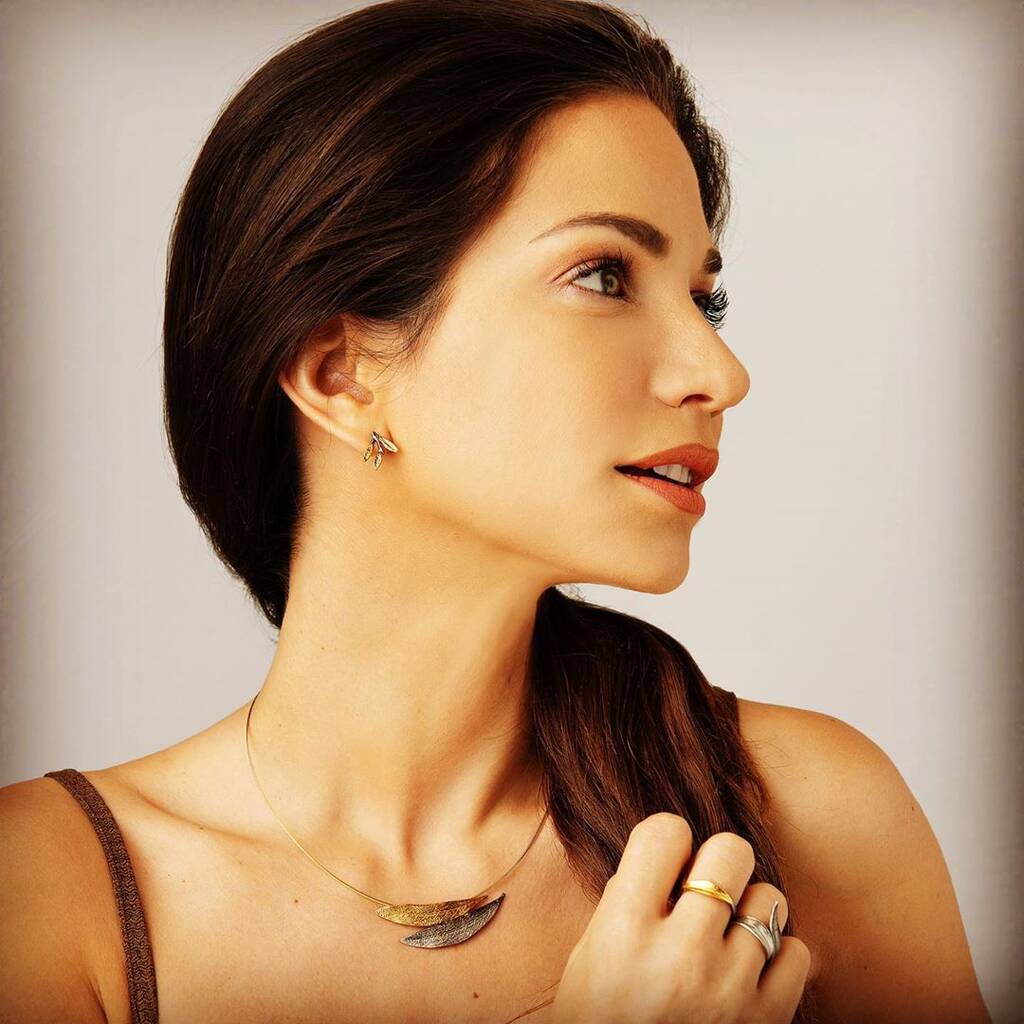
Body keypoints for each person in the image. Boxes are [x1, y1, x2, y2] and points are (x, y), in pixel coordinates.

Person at [0, 1, 991, 1022]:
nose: (720, 372)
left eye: (705, 298)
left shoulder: (809, 820)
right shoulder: (44, 894)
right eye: (604, 275)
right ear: (341, 374)